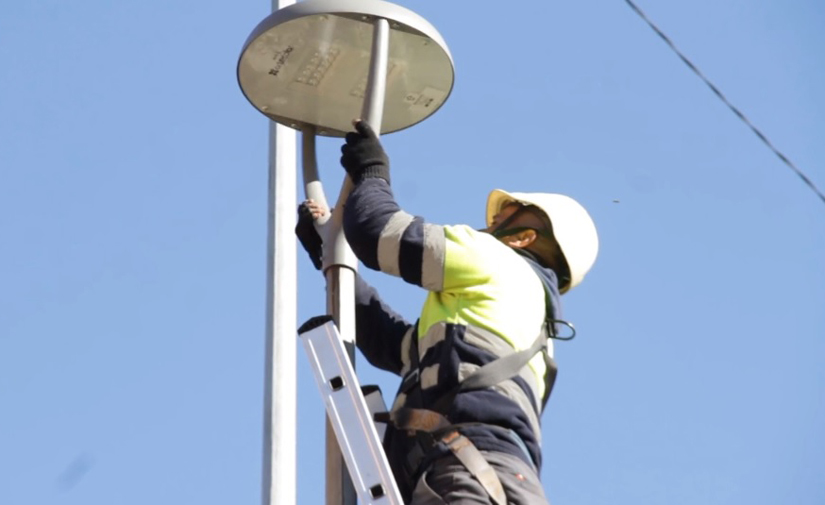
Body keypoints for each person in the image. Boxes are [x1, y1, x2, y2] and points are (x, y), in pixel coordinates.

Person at [296, 121, 599, 504]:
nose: (491, 223)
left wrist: (371, 172)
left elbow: (379, 232)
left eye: (507, 213)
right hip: (504, 479)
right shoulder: (530, 326)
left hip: (465, 469)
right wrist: (328, 258)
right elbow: (393, 344)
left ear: (524, 237)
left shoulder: (496, 259)